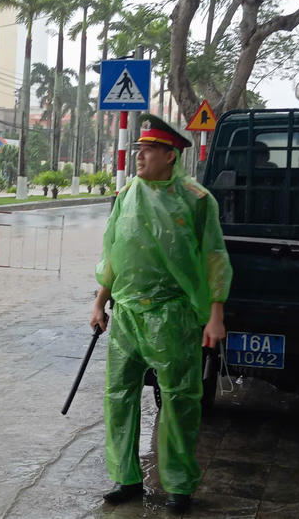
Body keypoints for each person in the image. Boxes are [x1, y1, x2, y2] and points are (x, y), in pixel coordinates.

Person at [89, 114, 233, 513]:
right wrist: (101, 301)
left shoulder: (197, 199)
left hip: (173, 315)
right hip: (127, 312)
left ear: (171, 155)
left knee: (179, 398)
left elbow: (214, 259)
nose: (140, 156)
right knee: (119, 395)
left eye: (149, 150)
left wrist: (215, 315)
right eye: (138, 149)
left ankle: (180, 484)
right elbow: (114, 253)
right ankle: (127, 476)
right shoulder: (126, 196)